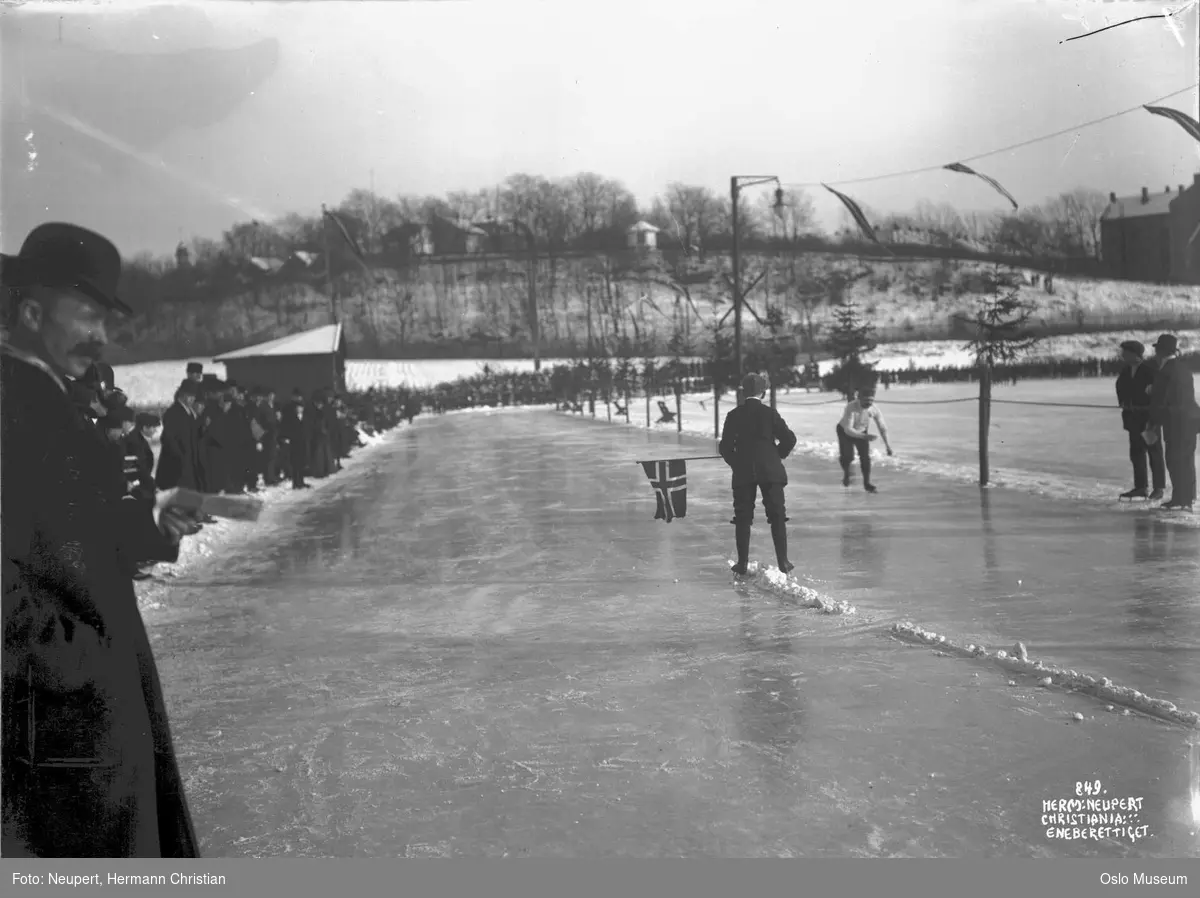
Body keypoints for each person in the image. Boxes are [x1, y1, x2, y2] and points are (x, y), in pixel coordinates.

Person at [1, 222, 199, 857]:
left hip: (88, 716)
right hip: (59, 727)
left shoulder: (49, 397)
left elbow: (69, 536)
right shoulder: (13, 404)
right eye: (87, 313)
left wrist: (149, 526)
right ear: (31, 310)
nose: (101, 337)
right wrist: (75, 662)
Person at [718, 372, 798, 576]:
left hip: (744, 472)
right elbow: (789, 439)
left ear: (743, 392)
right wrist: (775, 456)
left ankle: (742, 563)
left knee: (743, 516)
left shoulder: (733, 415)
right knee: (777, 514)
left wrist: (738, 463)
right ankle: (783, 561)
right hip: (771, 470)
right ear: (763, 392)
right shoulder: (770, 413)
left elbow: (725, 448)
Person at [1149, 334, 1197, 511]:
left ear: (1160, 352)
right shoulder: (1183, 369)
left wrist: (1153, 422)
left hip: (1176, 422)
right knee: (1187, 460)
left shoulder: (1165, 372)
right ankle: (1189, 496)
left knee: (1175, 460)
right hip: (1191, 420)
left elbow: (1160, 400)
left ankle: (1180, 499)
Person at [1115, 340, 1164, 501]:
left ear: (1134, 353)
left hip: (1149, 419)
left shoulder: (1150, 370)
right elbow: (1120, 387)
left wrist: (1150, 409)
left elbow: (1158, 392)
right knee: (1136, 453)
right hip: (1132, 419)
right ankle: (1141, 487)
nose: (1122, 355)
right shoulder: (1125, 370)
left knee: (1154, 453)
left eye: (1125, 352)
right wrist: (1124, 402)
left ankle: (1158, 488)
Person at [836, 385, 893, 493]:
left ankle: (867, 484)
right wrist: (865, 437)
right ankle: (846, 474)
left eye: (871, 400)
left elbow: (882, 427)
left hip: (861, 431)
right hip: (844, 431)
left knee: (865, 458)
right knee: (847, 456)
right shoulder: (851, 407)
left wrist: (887, 446)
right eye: (865, 400)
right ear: (859, 398)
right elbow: (848, 429)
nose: (868, 403)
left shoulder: (873, 409)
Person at [281, 391, 312, 490]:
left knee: (302, 463)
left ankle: (301, 481)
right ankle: (296, 483)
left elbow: (307, 429)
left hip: (303, 442)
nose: (299, 409)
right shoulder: (291, 418)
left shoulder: (305, 418)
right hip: (295, 442)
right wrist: (287, 438)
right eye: (297, 408)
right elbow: (287, 429)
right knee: (295, 463)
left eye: (300, 407)